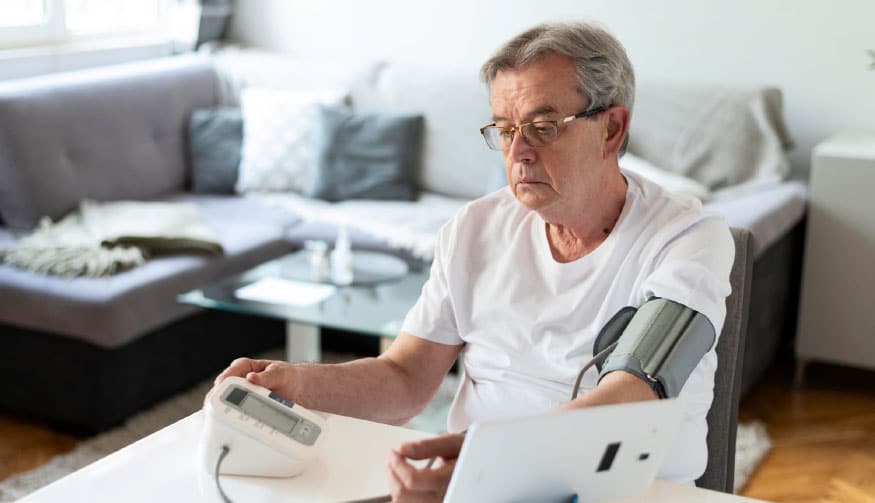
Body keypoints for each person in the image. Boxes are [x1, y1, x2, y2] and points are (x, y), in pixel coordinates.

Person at [212, 21, 733, 502]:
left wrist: (487, 472)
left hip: (626, 490)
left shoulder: (688, 239)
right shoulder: (475, 229)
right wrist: (299, 384)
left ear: (612, 129)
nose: (519, 152)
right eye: (506, 130)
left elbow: (634, 394)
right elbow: (405, 376)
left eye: (544, 126)